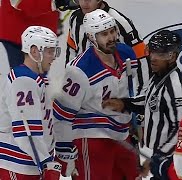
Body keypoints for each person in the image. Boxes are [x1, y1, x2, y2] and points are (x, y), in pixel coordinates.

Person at [52, 9, 141, 180]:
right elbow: (62, 115)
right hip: (91, 138)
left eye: (113, 31)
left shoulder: (126, 53)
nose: (111, 37)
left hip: (121, 134)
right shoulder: (78, 71)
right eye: (104, 34)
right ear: (92, 37)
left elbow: (130, 89)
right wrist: (63, 151)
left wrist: (134, 123)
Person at [103, 30, 182, 179]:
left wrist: (158, 158)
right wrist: (125, 103)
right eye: (152, 52)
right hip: (161, 155)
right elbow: (149, 100)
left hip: (172, 160)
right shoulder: (158, 76)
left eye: (160, 54)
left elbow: (181, 130)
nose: (153, 58)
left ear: (173, 56)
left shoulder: (177, 88)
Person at [0, 26, 62, 180]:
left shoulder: (35, 78)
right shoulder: (24, 81)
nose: (53, 56)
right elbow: (26, 132)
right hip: (17, 164)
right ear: (34, 52)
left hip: (28, 164)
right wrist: (46, 163)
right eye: (49, 51)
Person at [65, 0, 150, 95]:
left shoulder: (120, 22)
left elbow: (142, 59)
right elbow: (72, 50)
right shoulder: (74, 19)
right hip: (87, 89)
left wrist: (141, 97)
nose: (84, 3)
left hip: (115, 92)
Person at [0, 0, 78, 76]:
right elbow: (21, 5)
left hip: (41, 33)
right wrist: (55, 3)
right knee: (24, 81)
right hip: (17, 36)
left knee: (38, 82)